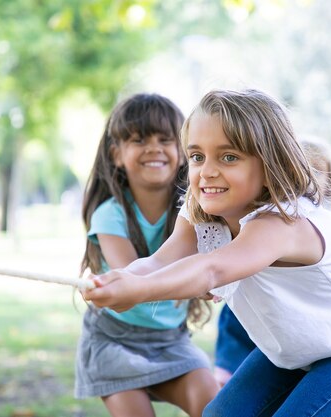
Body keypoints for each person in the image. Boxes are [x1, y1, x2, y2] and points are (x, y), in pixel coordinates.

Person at [83, 88, 331, 417]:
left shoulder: (283, 223)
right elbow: (159, 261)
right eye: (197, 156)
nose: (207, 171)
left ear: (271, 164)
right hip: (300, 346)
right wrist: (121, 278)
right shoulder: (201, 210)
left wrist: (138, 292)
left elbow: (211, 269)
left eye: (228, 157)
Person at [74, 93, 219, 417]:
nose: (153, 147)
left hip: (171, 341)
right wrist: (193, 279)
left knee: (213, 404)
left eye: (165, 139)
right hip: (115, 342)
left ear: (183, 153)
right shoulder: (110, 214)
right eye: (139, 139)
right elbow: (131, 278)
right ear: (117, 154)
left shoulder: (198, 209)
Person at [212, 136, 331, 387]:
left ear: (330, 177)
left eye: (317, 171)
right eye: (299, 169)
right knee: (237, 325)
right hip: (255, 296)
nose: (306, 178)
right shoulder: (268, 211)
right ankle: (228, 371)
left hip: (295, 304)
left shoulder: (326, 218)